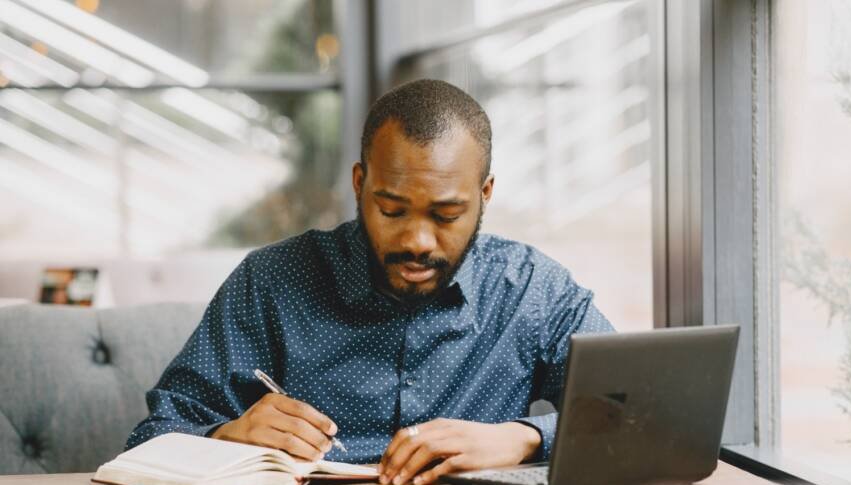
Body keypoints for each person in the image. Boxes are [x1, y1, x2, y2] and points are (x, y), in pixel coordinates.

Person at [126, 79, 614, 485]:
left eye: (447, 215)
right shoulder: (270, 281)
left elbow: (639, 410)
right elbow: (152, 438)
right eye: (392, 210)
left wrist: (521, 437)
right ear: (360, 184)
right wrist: (227, 435)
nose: (418, 240)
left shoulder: (532, 289)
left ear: (484, 194)